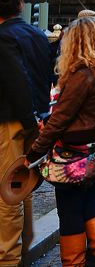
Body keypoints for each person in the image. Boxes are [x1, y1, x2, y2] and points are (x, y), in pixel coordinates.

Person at [25, 17, 95, 267]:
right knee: (91, 200)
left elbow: (61, 120)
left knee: (70, 210)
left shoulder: (81, 75)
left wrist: (33, 153)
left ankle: (74, 263)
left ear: (76, 42)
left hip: (74, 152)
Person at [0, 42, 37, 266]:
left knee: (10, 190)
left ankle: (9, 257)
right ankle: (17, 251)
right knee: (16, 187)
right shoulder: (17, 37)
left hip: (9, 124)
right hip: (13, 123)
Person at [0, 0, 54, 122]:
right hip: (40, 114)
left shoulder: (3, 36)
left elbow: (16, 77)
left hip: (11, 119)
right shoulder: (40, 34)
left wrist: (28, 119)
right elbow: (48, 74)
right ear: (20, 6)